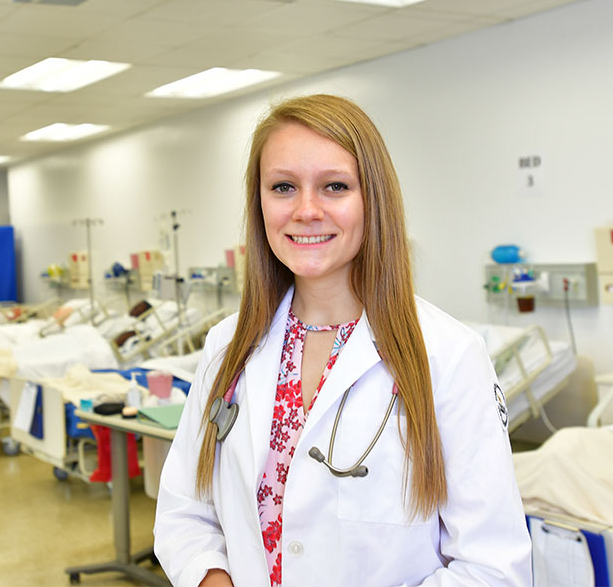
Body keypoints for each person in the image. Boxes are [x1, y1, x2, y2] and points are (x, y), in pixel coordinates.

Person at [153, 94, 531, 587]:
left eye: (335, 186)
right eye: (283, 187)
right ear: (259, 202)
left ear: (372, 199)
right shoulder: (229, 347)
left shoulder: (447, 355)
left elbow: (492, 566)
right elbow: (185, 509)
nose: (306, 210)